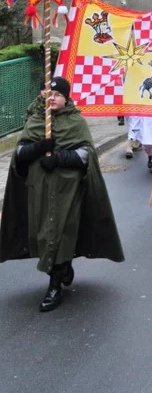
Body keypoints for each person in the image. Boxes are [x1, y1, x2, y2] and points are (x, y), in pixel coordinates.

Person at [0, 77, 124, 312]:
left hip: (68, 188)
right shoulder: (36, 120)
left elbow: (87, 154)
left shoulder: (75, 121)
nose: (53, 98)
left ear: (66, 97)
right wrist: (37, 148)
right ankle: (61, 267)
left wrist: (59, 158)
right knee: (44, 232)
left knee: (62, 231)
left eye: (57, 95)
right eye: (49, 94)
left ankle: (54, 285)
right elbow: (19, 154)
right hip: (39, 188)